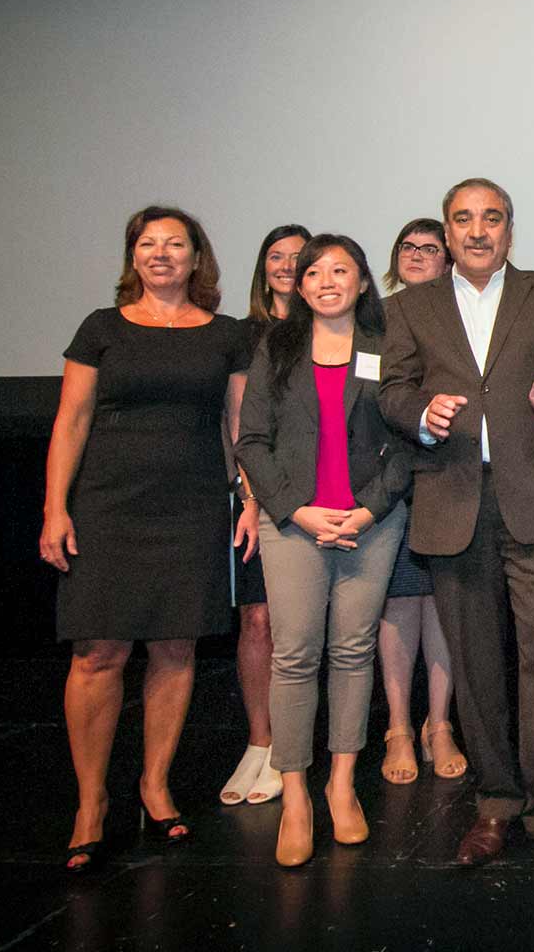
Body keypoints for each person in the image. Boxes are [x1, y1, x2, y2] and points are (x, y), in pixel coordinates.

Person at [379, 177, 534, 883]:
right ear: (446, 231)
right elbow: (392, 389)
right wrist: (420, 412)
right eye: (463, 220)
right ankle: (495, 804)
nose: (478, 231)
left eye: (492, 218)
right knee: (474, 664)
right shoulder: (409, 306)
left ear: (510, 228)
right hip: (453, 498)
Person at [40, 205, 253, 871]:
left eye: (175, 244)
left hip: (190, 507)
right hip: (106, 507)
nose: (161, 254)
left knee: (174, 648)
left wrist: (248, 498)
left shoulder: (227, 334)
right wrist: (55, 509)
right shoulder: (101, 329)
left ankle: (155, 787)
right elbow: (71, 422)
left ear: (197, 258)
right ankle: (91, 802)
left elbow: (240, 427)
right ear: (134, 257)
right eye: (148, 244)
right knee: (97, 655)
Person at [235, 234, 411, 867]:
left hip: (373, 521)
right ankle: (295, 795)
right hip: (294, 523)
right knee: (296, 655)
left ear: (364, 282)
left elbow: (410, 439)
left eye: (343, 270)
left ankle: (340, 785)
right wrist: (298, 511)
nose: (327, 280)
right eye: (315, 271)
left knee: (353, 650)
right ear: (299, 284)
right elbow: (251, 440)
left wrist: (368, 509)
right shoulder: (275, 347)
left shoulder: (389, 346)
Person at [376, 218, 467, 786]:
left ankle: (440, 724)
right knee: (398, 607)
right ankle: (398, 727)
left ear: (448, 261)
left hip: (446, 477)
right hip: (381, 487)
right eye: (407, 246)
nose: (416, 255)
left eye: (429, 249)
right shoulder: (374, 319)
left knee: (444, 606)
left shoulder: (460, 320)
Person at [220, 223, 308, 808]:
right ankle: (259, 743)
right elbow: (240, 424)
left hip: (312, 497)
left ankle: (291, 752)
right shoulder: (240, 335)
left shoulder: (325, 327)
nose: (286, 266)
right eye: (275, 257)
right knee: (258, 620)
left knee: (299, 629)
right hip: (256, 496)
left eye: (299, 258)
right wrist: (251, 500)